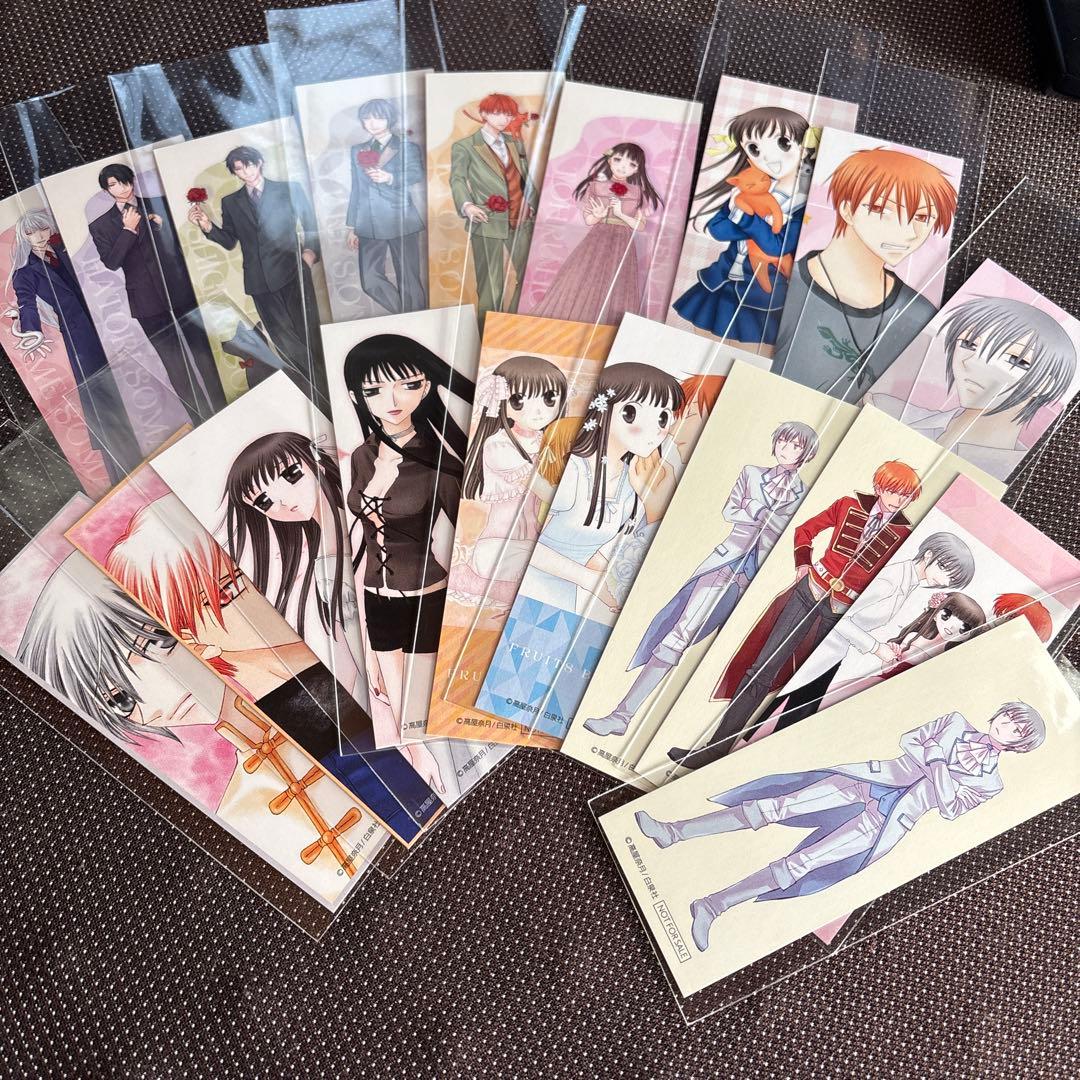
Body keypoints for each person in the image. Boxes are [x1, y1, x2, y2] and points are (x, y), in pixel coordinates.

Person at [17, 547, 372, 889]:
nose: (159, 695)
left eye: (155, 641)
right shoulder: (238, 810)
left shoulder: (312, 670)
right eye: (119, 699)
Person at [103, 490, 444, 837]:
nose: (257, 585)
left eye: (234, 580)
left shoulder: (334, 617)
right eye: (222, 594)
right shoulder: (284, 712)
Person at [636, 702, 1046, 952]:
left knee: (802, 865)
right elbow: (910, 740)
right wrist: (937, 767)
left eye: (1015, 730)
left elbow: (952, 808)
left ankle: (712, 906)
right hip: (868, 780)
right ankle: (673, 832)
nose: (1005, 727)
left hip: (888, 821)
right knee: (774, 806)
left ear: (1018, 745)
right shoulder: (955, 721)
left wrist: (937, 761)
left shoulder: (992, 784)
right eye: (1008, 718)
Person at [669, 460, 923, 768]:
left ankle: (748, 762)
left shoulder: (904, 534)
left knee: (806, 689)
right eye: (894, 491)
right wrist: (803, 564)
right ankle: (713, 750)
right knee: (761, 670)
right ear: (879, 487)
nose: (899, 500)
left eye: (906, 496)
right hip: (809, 592)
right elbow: (806, 530)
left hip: (841, 615)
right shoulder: (847, 505)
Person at [584, 420, 819, 739]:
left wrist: (761, 513)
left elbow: (787, 530)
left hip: (756, 578)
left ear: (806, 453)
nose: (786, 449)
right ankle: (622, 716)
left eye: (795, 446)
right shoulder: (751, 474)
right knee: (677, 636)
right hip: (725, 565)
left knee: (728, 654)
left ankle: (685, 736)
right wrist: (758, 511)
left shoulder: (803, 491)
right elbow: (730, 511)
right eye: (783, 442)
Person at [343, 334, 475, 739]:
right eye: (375, 390)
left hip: (426, 595)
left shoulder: (439, 464)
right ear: (357, 397)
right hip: (376, 597)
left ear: (427, 388)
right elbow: (364, 535)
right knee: (401, 716)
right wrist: (365, 647)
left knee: (424, 713)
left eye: (407, 384)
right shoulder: (362, 456)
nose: (392, 399)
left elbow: (470, 537)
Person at [771, 147, 958, 401]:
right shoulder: (779, 284)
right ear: (847, 209)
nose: (908, 232)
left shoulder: (919, 315)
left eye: (923, 216)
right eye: (883, 209)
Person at [763, 531, 976, 732]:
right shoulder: (891, 579)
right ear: (928, 555)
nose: (945, 581)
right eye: (944, 568)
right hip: (818, 646)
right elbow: (838, 615)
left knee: (794, 718)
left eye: (952, 580)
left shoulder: (907, 583)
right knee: (782, 712)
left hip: (834, 653)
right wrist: (876, 648)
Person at [867, 295, 1078, 480]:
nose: (972, 363)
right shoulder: (882, 408)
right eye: (969, 344)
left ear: (1046, 384)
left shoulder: (1016, 473)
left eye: (1016, 360)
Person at [8, 208, 143, 482]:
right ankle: (123, 467)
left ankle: (141, 453)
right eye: (31, 232)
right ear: (24, 236)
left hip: (106, 325)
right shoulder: (25, 272)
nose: (39, 236)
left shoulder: (64, 251)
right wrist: (31, 331)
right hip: (79, 337)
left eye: (43, 229)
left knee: (128, 388)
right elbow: (26, 304)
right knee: (102, 400)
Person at [89, 162, 227, 421]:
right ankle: (201, 419)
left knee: (204, 355)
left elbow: (180, 243)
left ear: (132, 180)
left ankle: (224, 409)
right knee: (176, 367)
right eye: (114, 185)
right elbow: (112, 262)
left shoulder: (158, 203)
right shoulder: (100, 225)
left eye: (124, 181)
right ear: (107, 191)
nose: (122, 188)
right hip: (146, 302)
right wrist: (128, 230)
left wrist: (165, 225)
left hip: (181, 290)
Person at [188, 146, 323, 401]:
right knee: (283, 341)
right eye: (239, 169)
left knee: (309, 332)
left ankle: (325, 384)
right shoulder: (231, 202)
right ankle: (317, 392)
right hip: (259, 281)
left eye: (249, 165)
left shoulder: (288, 189)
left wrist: (309, 254)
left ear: (259, 162)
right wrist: (206, 225)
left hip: (294, 273)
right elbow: (229, 240)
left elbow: (311, 225)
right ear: (235, 173)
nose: (246, 172)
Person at [673, 107, 812, 349]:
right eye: (755, 149)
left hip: (765, 293)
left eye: (783, 143)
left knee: (750, 352)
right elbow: (717, 229)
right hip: (722, 278)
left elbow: (777, 246)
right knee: (699, 342)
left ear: (806, 147)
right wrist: (755, 225)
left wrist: (746, 220)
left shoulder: (806, 204)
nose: (769, 158)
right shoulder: (752, 187)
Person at [449, 355, 567, 607]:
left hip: (533, 543)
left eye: (549, 399)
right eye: (519, 400)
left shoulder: (547, 442)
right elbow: (548, 493)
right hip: (498, 548)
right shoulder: (498, 445)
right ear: (501, 401)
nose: (538, 411)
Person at [532, 143, 663, 326]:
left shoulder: (638, 192)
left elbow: (640, 226)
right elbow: (589, 220)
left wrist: (621, 215)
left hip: (623, 243)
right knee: (583, 278)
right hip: (597, 239)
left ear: (637, 169)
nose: (623, 166)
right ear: (609, 160)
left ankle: (606, 330)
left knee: (617, 284)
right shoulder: (596, 187)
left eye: (631, 164)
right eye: (618, 160)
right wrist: (598, 215)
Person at [449, 93, 536, 324]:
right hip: (487, 220)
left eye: (508, 114)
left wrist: (535, 206)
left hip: (522, 219)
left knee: (530, 277)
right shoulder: (465, 146)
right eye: (497, 113)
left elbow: (525, 178)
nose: (504, 119)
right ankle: (487, 335)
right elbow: (457, 179)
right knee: (491, 287)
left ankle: (511, 326)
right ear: (484, 114)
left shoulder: (515, 143)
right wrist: (467, 205)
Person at [345, 98, 426, 314]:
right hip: (368, 222)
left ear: (390, 118)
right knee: (370, 281)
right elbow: (356, 188)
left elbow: (416, 174)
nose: (372, 123)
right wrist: (352, 226)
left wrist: (390, 177)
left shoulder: (407, 147)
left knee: (409, 279)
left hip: (401, 219)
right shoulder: (357, 150)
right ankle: (406, 315)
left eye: (379, 118)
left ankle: (416, 320)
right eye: (367, 118)